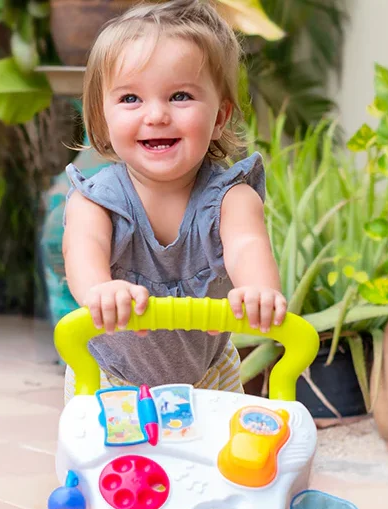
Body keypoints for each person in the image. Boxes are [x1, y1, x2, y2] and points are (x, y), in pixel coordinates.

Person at [62, 0, 287, 403]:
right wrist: (100, 290)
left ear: (219, 117)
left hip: (210, 376)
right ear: (102, 117)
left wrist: (258, 289)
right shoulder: (96, 202)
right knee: (107, 462)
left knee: (227, 462)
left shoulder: (230, 199)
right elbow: (84, 249)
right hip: (111, 379)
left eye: (180, 96)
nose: (156, 115)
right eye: (130, 99)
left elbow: (246, 245)